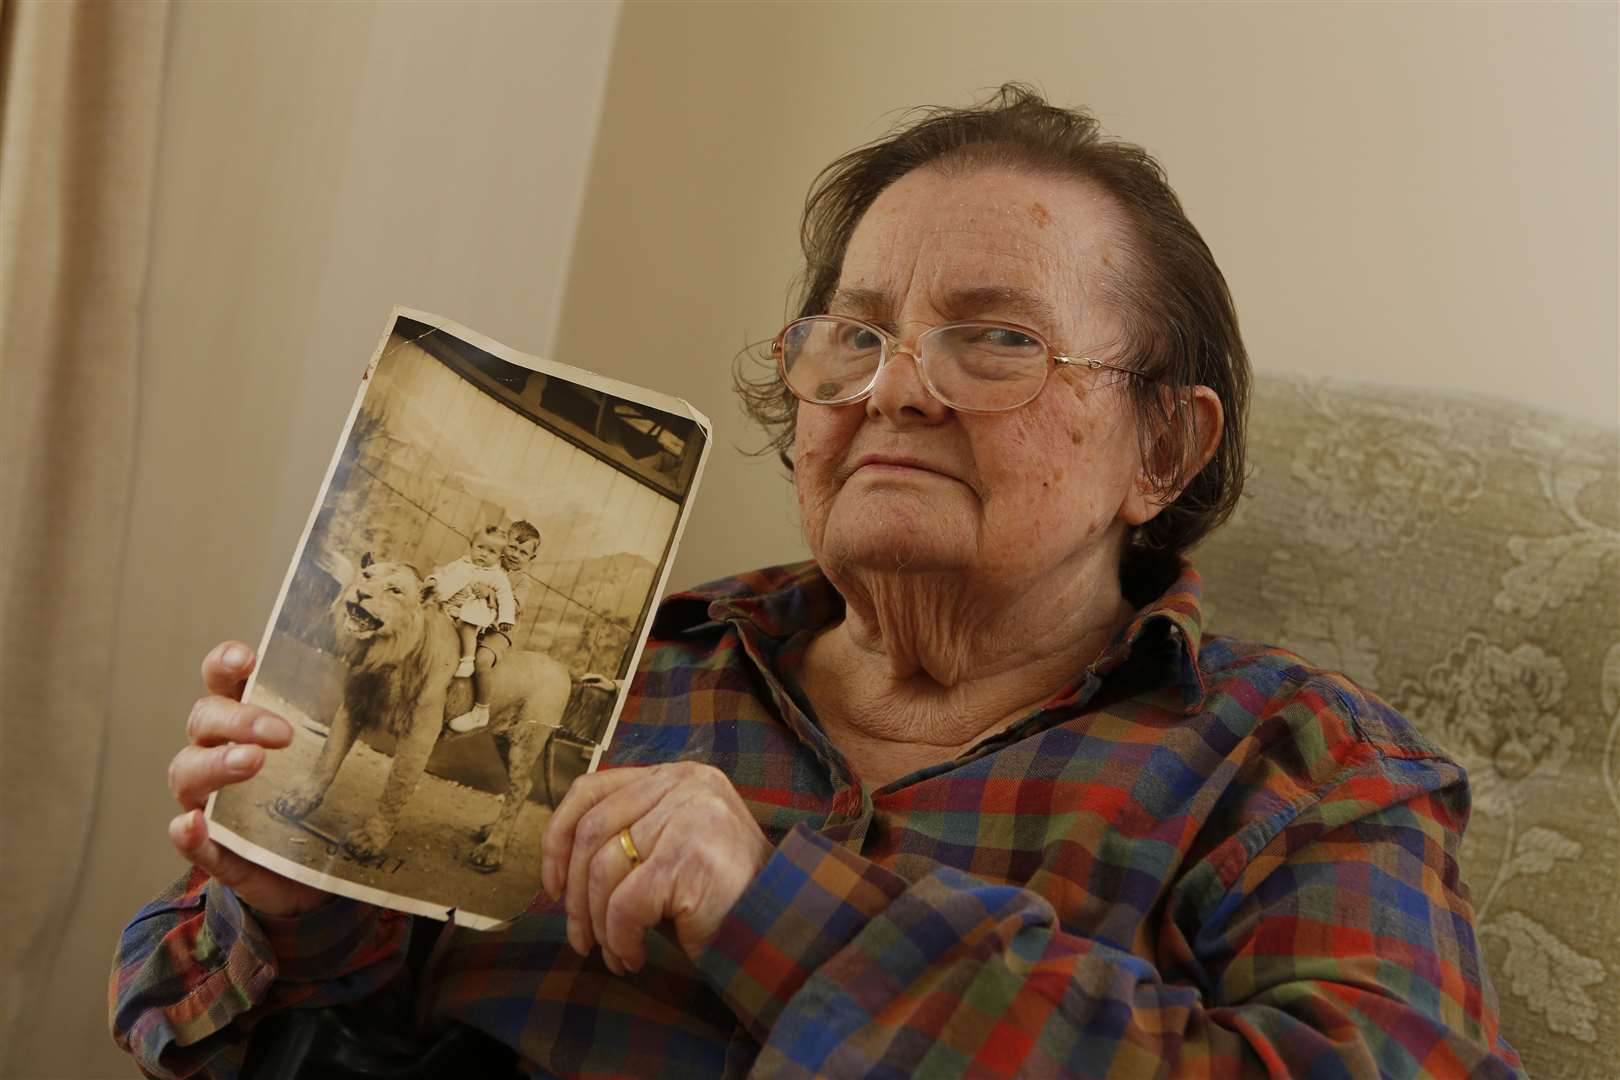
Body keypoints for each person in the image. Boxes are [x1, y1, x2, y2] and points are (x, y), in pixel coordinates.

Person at [111, 86, 1524, 1078]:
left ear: (1163, 443)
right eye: (852, 337)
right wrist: (293, 903)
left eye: (995, 341)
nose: (894, 389)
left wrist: (776, 911)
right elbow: (197, 1018)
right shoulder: (626, 667)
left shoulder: (1307, 772)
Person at [446, 519, 542, 733]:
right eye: (512, 547)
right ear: (503, 544)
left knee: (482, 660)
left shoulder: (523, 582)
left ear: (531, 558)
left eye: (523, 552)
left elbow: (515, 606)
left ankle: (481, 710)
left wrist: (491, 594)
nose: (515, 555)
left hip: (499, 629)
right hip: (472, 619)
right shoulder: (488, 563)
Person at [421, 524, 516, 731]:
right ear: (471, 546)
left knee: (467, 625)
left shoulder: (496, 575)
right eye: (480, 548)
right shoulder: (461, 563)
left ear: (499, 556)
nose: (484, 554)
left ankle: (468, 659)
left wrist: (506, 616)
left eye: (491, 552)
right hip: (447, 607)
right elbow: (443, 573)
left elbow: (506, 597)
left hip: (472, 612)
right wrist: (433, 580)